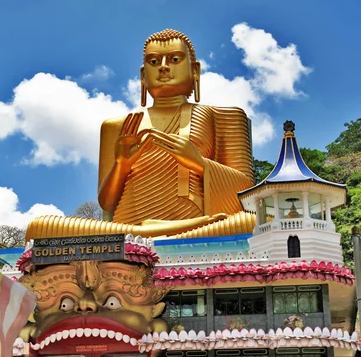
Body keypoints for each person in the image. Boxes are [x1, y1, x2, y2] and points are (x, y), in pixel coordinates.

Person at [26, 29, 256, 241]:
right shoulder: (118, 126)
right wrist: (121, 165)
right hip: (128, 226)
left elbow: (246, 194)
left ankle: (146, 236)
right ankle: (143, 234)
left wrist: (199, 164)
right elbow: (107, 202)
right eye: (154, 62)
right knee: (40, 227)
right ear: (143, 75)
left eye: (175, 59)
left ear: (194, 70)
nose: (163, 67)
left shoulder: (222, 116)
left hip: (198, 227)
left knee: (251, 222)